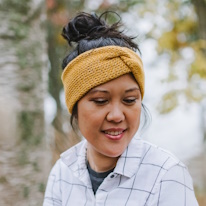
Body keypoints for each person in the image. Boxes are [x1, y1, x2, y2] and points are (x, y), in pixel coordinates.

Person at [43, 11, 199, 206]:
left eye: (129, 100)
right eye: (100, 101)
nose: (117, 116)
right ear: (74, 107)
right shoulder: (62, 173)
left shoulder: (166, 175)